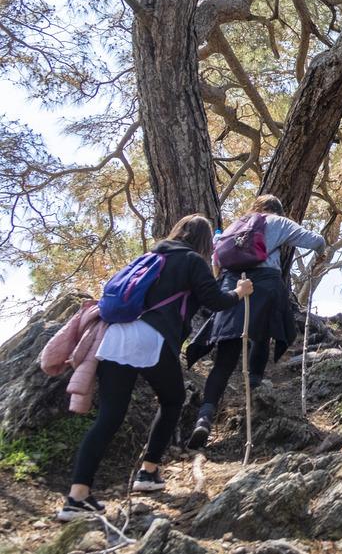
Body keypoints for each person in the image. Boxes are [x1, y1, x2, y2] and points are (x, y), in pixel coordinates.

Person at [59, 215, 253, 521]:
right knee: (173, 399)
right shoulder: (192, 261)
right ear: (204, 241)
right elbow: (214, 301)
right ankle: (148, 472)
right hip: (151, 339)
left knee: (108, 419)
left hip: (114, 337)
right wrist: (239, 292)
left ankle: (76, 498)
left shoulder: (149, 256)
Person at [187, 195, 325, 450]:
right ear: (278, 209)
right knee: (263, 335)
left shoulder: (235, 225)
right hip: (266, 284)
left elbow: (217, 258)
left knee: (225, 356)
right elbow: (314, 240)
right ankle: (254, 389)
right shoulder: (279, 222)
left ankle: (205, 417)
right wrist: (322, 250)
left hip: (232, 283)